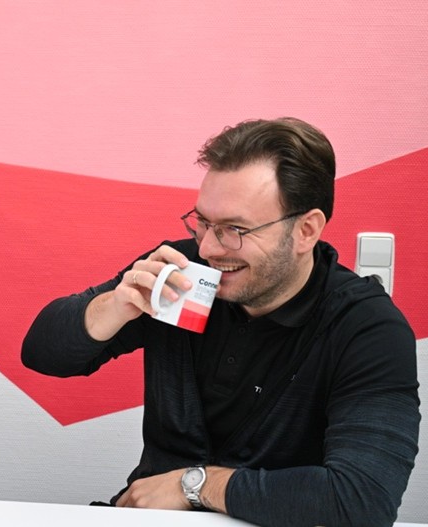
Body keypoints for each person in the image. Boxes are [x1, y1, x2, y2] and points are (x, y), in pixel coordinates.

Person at [21, 117, 420, 526]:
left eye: (234, 229)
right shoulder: (183, 273)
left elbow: (361, 500)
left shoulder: (366, 328)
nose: (209, 248)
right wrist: (117, 304)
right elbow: (41, 355)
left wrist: (193, 486)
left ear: (306, 230)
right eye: (203, 222)